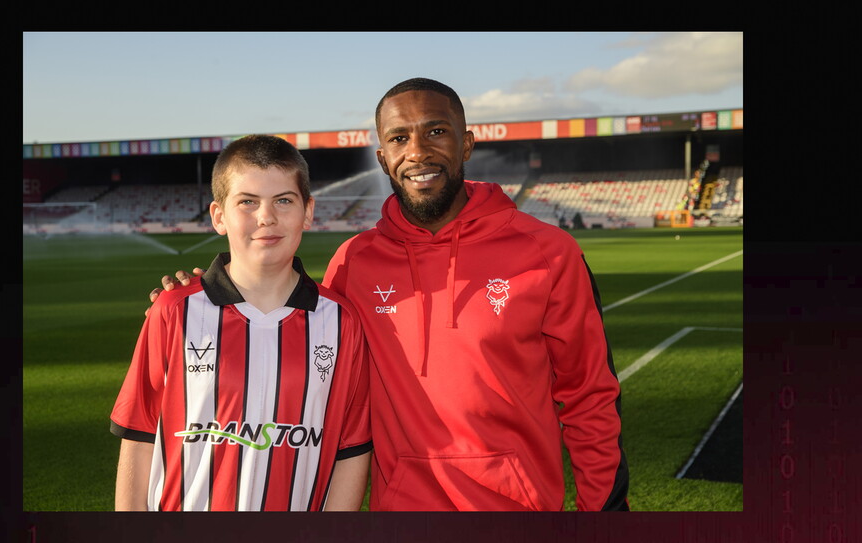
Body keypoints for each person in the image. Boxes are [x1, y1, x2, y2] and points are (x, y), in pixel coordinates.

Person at [155, 78, 629, 511]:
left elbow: (590, 398)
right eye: (399, 138)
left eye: (437, 132)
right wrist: (203, 291)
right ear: (383, 157)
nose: (418, 152)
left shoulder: (548, 253)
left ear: (465, 144)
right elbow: (286, 330)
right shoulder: (355, 261)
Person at [113, 135, 372, 511]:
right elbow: (138, 435)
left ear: (309, 211)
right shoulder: (174, 311)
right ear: (218, 216)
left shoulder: (340, 320)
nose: (266, 217)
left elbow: (351, 448)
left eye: (284, 200)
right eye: (247, 202)